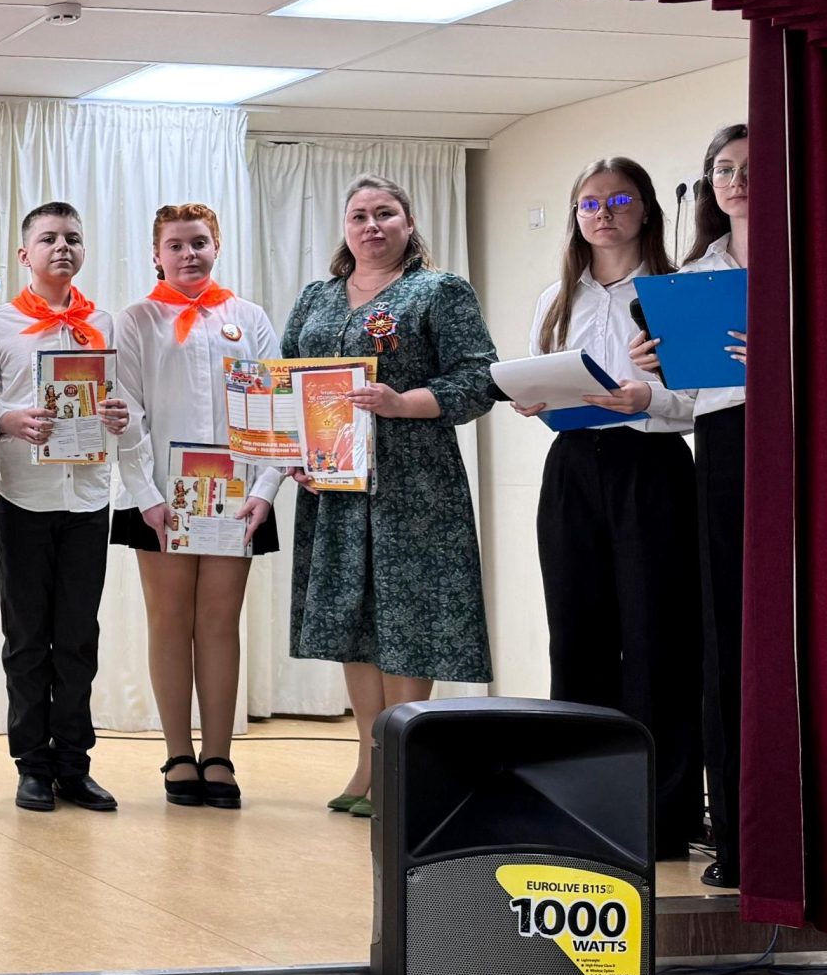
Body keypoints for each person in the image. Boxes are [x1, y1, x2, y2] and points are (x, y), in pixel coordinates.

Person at [281, 176, 497, 818]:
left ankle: (406, 766)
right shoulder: (317, 296)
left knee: (410, 618)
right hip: (336, 486)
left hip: (415, 484)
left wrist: (403, 403)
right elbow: (287, 381)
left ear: (408, 222)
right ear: (345, 228)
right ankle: (368, 760)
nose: (371, 225)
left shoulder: (440, 290)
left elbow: (478, 379)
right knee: (354, 620)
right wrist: (292, 451)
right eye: (359, 216)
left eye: (385, 213)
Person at [512, 157, 700, 856]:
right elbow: (541, 375)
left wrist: (649, 398)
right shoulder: (557, 298)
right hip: (572, 466)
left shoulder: (673, 292)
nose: (603, 213)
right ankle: (578, 806)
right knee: (576, 635)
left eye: (618, 200)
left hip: (649, 464)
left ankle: (664, 817)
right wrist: (533, 399)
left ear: (645, 208)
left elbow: (701, 402)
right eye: (589, 203)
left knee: (656, 640)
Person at [112, 204, 283, 810]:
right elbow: (126, 412)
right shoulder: (136, 320)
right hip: (160, 498)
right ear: (156, 254)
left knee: (218, 622)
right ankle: (178, 752)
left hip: (236, 500)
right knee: (169, 621)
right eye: (176, 245)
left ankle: (218, 755)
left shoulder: (250, 318)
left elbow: (275, 409)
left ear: (217, 246)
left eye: (200, 243)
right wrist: (148, 496)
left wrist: (264, 491)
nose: (189, 254)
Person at [0, 203, 144, 814]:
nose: (62, 247)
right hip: (22, 494)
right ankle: (32, 764)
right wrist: (9, 419)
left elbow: (127, 406)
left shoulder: (104, 323)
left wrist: (121, 417)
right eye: (48, 239)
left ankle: (74, 763)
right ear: (25, 254)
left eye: (73, 238)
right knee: (26, 638)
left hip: (88, 497)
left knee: (77, 637)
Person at [632, 123, 752, 888]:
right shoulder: (696, 276)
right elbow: (688, 403)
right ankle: (739, 839)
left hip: (798, 438)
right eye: (723, 170)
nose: (735, 182)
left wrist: (783, 361)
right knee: (725, 639)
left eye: (750, 168)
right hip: (724, 448)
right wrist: (652, 380)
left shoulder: (807, 259)